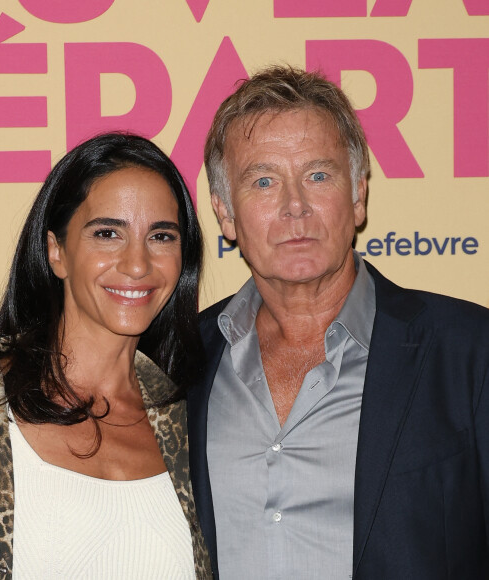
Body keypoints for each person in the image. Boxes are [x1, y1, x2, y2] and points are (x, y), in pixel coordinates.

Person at [187, 65, 489, 579]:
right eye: (263, 181)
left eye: (318, 176)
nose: (295, 207)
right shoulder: (180, 360)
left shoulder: (469, 352)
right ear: (225, 214)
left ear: (358, 196)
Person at [0, 133, 212, 579]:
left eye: (161, 236)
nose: (137, 263)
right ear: (56, 252)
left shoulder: (193, 423)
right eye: (108, 233)